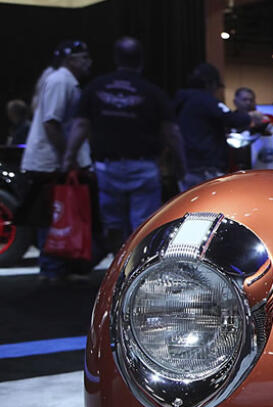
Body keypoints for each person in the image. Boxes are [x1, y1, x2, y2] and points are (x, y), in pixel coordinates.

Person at [62, 37, 186, 252]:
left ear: (116, 59)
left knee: (113, 225)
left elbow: (80, 125)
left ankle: (115, 269)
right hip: (143, 167)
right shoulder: (152, 91)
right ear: (141, 61)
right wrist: (182, 165)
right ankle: (135, 273)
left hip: (107, 167)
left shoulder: (96, 87)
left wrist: (68, 158)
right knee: (143, 226)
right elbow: (171, 132)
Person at [19, 39, 93, 283]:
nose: (87, 62)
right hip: (48, 161)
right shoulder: (61, 81)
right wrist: (68, 156)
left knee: (55, 214)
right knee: (55, 214)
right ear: (70, 60)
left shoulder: (62, 80)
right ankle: (51, 269)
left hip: (50, 160)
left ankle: (55, 267)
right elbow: (51, 123)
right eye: (83, 58)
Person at [174, 62, 249, 189]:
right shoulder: (207, 101)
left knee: (189, 206)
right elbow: (233, 119)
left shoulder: (180, 101)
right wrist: (251, 117)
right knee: (210, 207)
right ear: (211, 84)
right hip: (206, 167)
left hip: (186, 166)